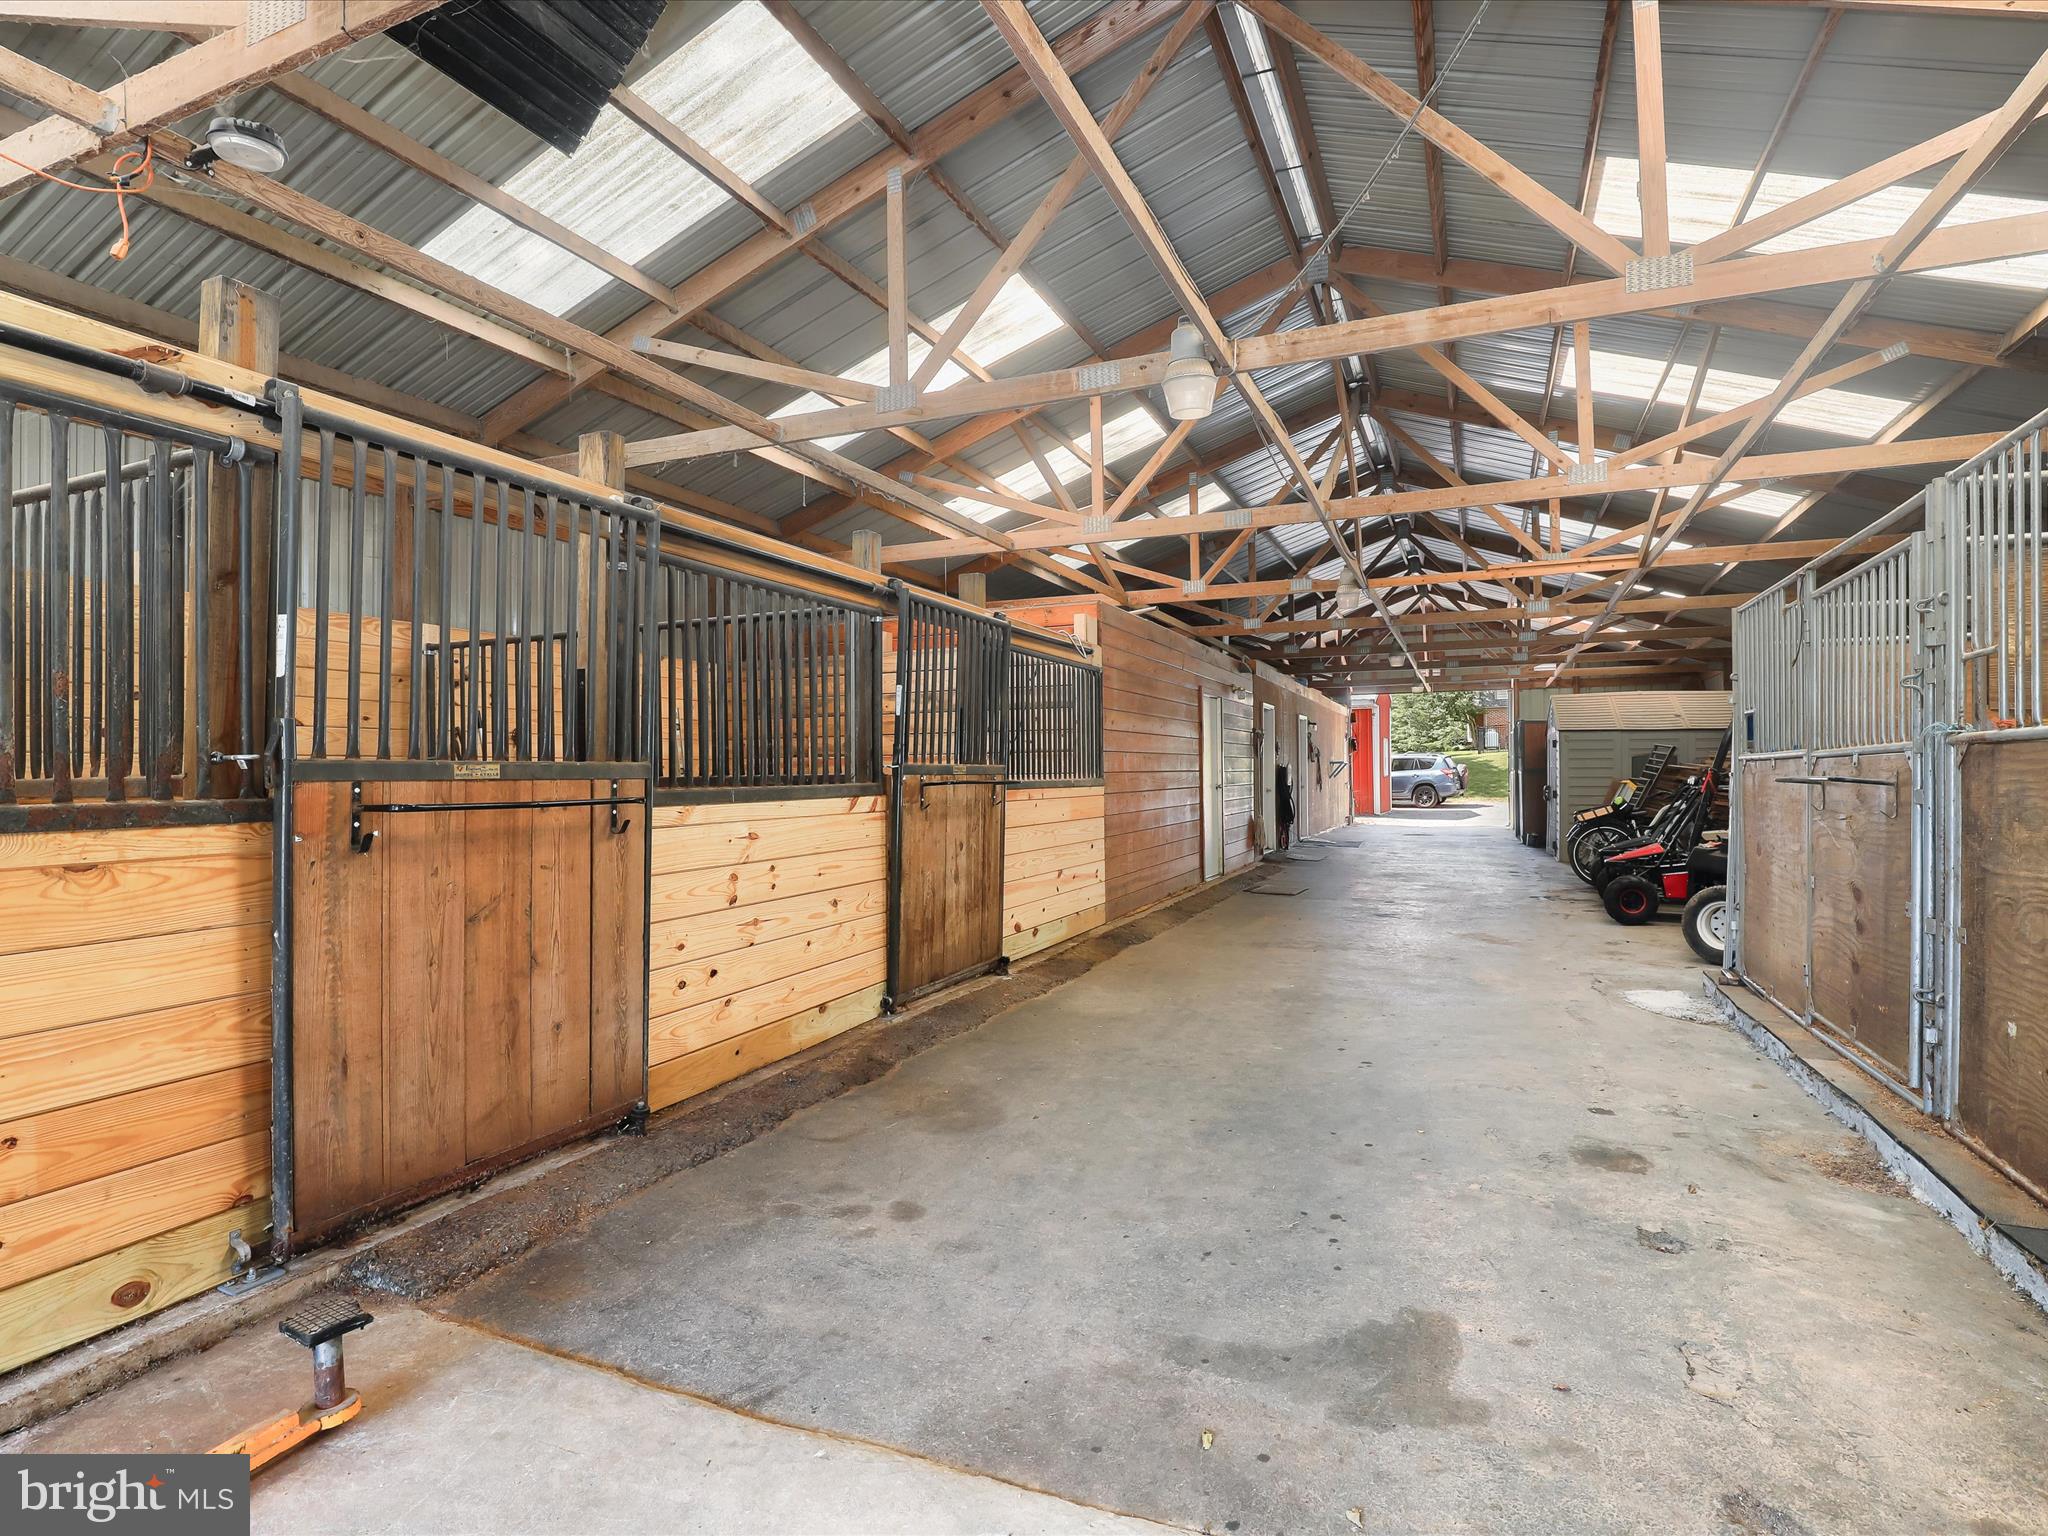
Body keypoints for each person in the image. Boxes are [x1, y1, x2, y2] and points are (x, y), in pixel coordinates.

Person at [1275, 763, 1295, 851]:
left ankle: (1286, 844)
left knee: (1286, 825)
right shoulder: (1286, 787)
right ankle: (1286, 844)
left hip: (1285, 804)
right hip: (1285, 804)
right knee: (1286, 825)